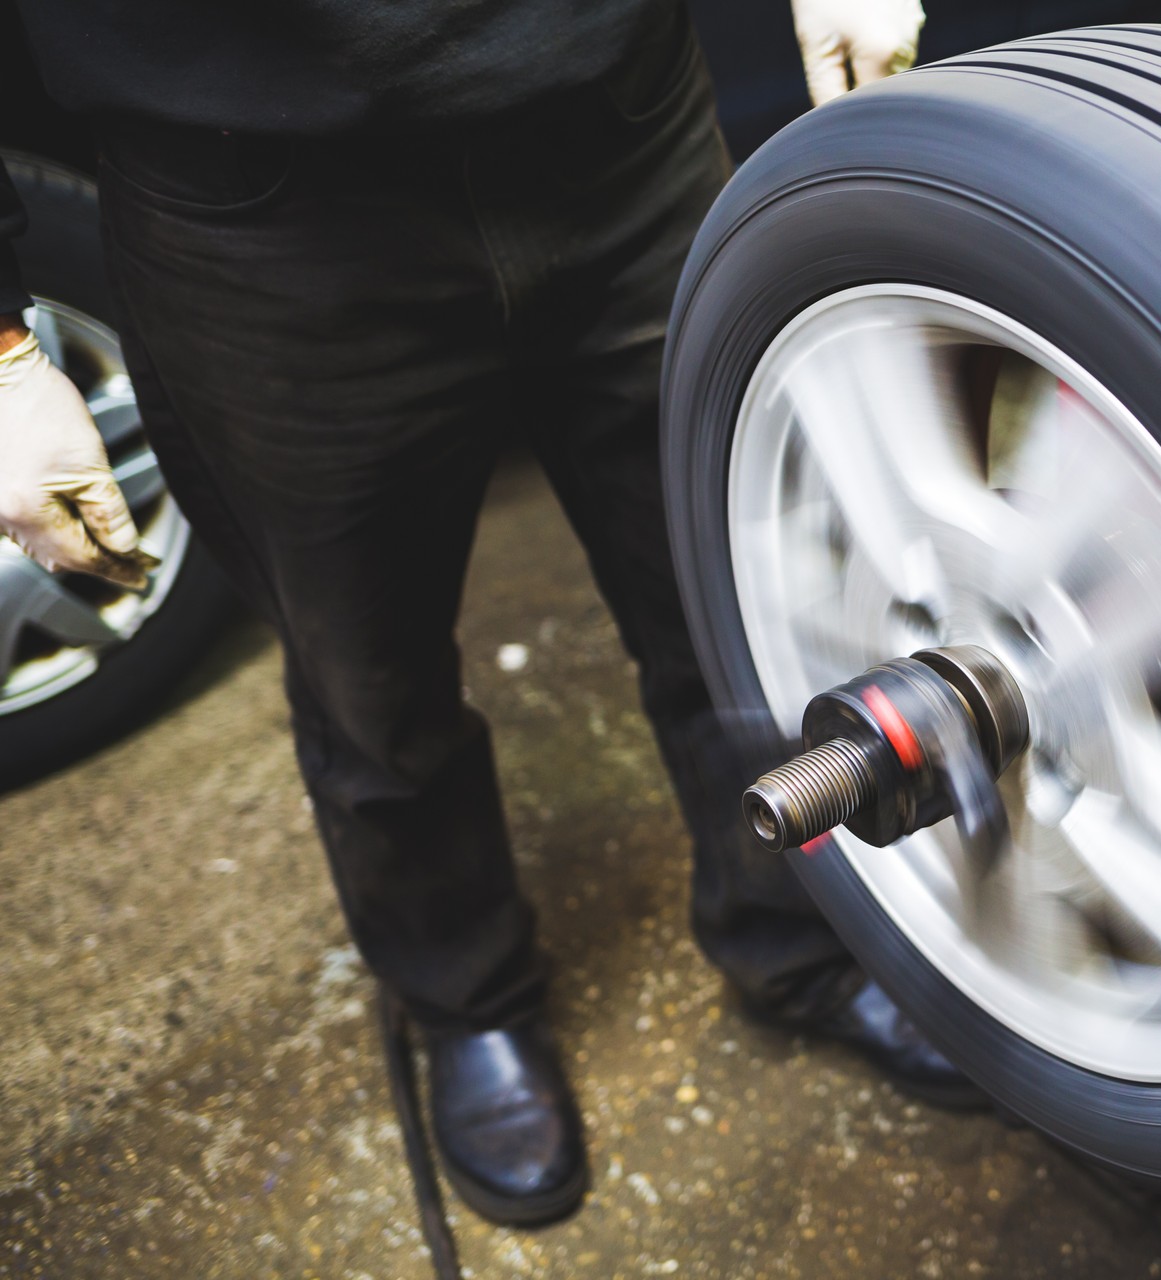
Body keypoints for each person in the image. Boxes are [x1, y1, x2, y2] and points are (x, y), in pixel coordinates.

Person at [0, 0, 979, 1229]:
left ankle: (803, 939)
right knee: (372, 685)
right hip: (261, 215)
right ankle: (471, 1001)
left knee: (739, 598)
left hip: (618, 115)